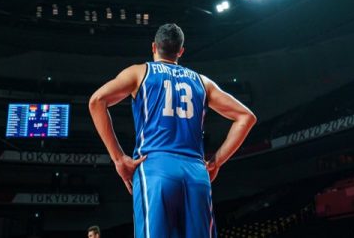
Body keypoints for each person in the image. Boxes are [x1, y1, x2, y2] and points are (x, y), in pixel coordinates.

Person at [89, 23, 257, 237]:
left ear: (153, 47)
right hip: (196, 173)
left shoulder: (140, 72)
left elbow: (96, 101)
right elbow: (246, 117)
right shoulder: (202, 82)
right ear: (181, 51)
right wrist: (217, 161)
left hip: (155, 167)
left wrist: (119, 159)